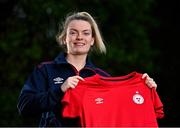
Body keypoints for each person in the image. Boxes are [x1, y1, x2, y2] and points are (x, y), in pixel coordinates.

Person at [17, 11, 157, 127]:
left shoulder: (103, 77)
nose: (79, 37)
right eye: (73, 33)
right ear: (64, 38)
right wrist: (59, 91)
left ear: (92, 40)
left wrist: (145, 91)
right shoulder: (45, 70)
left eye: (86, 33)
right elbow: (24, 106)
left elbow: (122, 114)